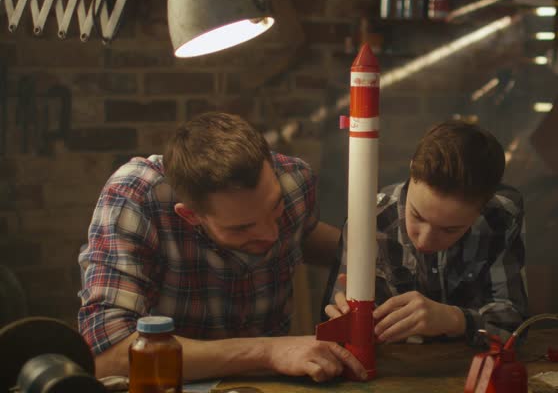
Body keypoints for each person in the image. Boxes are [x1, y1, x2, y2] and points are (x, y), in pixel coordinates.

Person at [78, 112, 367, 382]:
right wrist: (269, 351)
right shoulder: (136, 197)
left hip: (266, 383)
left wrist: (374, 259)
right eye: (242, 227)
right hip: (173, 383)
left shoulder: (293, 180)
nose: (270, 234)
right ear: (190, 215)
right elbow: (107, 355)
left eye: (275, 207)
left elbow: (306, 236)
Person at [325, 120, 528, 346]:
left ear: (484, 205)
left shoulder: (500, 216)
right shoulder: (368, 219)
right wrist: (346, 321)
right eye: (418, 216)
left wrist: (454, 319)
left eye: (450, 229)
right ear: (412, 170)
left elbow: (514, 329)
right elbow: (331, 327)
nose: (424, 240)